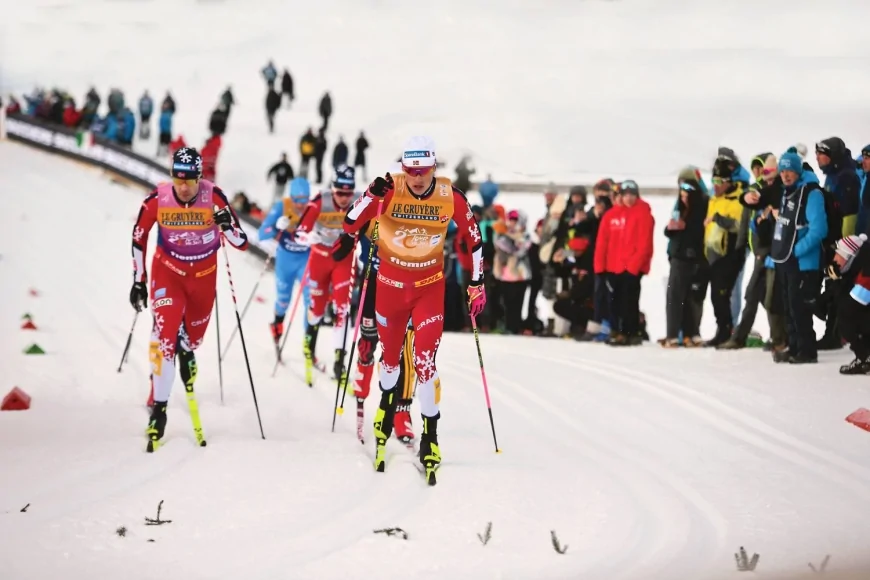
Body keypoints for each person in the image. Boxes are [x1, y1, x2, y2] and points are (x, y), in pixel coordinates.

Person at [339, 135, 485, 484]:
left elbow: (474, 236)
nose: (416, 177)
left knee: (424, 362)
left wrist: (477, 283)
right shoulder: (389, 189)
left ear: (434, 166)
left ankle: (430, 437)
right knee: (389, 359)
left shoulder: (451, 196)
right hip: (389, 288)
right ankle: (385, 410)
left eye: (422, 170)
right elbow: (349, 223)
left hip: (428, 288)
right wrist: (371, 195)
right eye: (410, 170)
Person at [129, 147, 248, 451]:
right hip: (168, 274)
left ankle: (186, 346)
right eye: (177, 178)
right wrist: (138, 281)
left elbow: (242, 242)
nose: (183, 186)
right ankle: (159, 408)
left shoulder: (215, 197)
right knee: (167, 337)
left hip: (204, 278)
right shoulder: (158, 199)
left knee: (191, 340)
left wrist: (227, 225)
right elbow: (139, 237)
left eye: (189, 180)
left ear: (199, 177)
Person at [295, 165, 360, 385]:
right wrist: (308, 237)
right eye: (340, 192)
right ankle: (309, 346)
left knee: (342, 309)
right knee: (317, 309)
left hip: (344, 260)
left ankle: (339, 362)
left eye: (348, 192)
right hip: (320, 258)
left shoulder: (359, 203)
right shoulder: (319, 201)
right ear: (332, 188)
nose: (344, 198)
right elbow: (299, 233)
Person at [769, 152, 828, 364]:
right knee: (789, 307)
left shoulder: (811, 194)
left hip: (804, 263)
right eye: (782, 171)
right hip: (786, 261)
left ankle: (807, 350)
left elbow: (819, 229)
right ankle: (794, 347)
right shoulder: (788, 193)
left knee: (800, 307)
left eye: (789, 170)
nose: (785, 175)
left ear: (798, 171)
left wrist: (797, 251)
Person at [258, 177, 313, 348]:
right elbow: (262, 234)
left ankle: (309, 341)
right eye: (296, 200)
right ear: (291, 197)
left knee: (311, 300)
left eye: (304, 200)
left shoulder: (313, 208)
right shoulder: (282, 206)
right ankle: (277, 326)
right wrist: (276, 226)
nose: (300, 205)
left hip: (305, 259)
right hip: (285, 260)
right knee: (283, 300)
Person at [830, 233, 870, 374]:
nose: (834, 259)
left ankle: (865, 357)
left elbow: (849, 306)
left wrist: (837, 282)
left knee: (846, 319)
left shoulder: (866, 270)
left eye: (838, 255)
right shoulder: (858, 267)